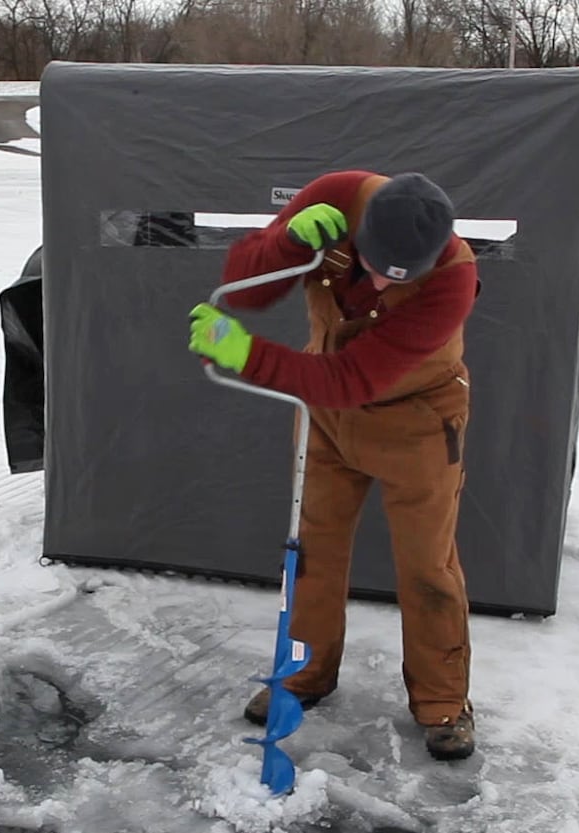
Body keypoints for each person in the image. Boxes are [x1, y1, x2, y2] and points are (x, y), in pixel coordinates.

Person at [187, 171, 479, 761]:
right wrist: (287, 245)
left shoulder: (453, 279)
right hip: (322, 413)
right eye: (370, 264)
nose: (374, 282)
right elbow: (244, 290)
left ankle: (442, 700)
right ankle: (304, 672)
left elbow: (354, 377)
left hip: (417, 419)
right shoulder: (335, 196)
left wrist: (247, 354)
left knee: (427, 564)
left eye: (396, 278)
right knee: (312, 547)